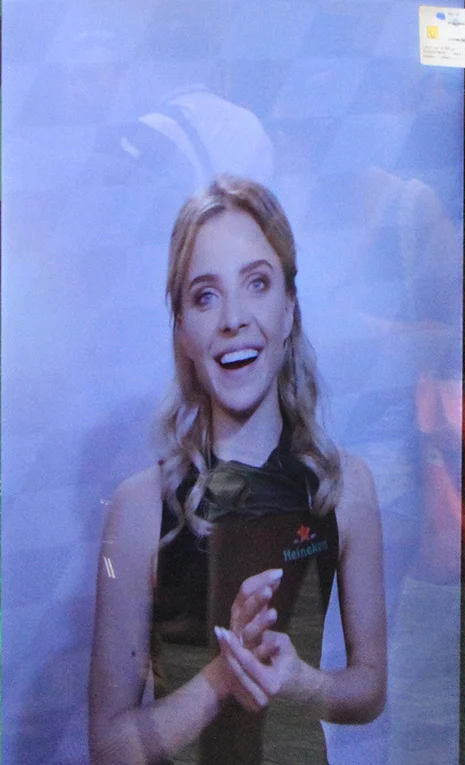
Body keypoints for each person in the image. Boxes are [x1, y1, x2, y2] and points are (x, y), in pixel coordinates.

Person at [89, 176, 386, 765]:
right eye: (205, 296)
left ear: (289, 307)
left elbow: (371, 687)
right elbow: (109, 746)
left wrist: (301, 682)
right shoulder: (140, 507)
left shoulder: (346, 487)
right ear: (181, 329)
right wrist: (223, 678)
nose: (233, 318)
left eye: (257, 283)